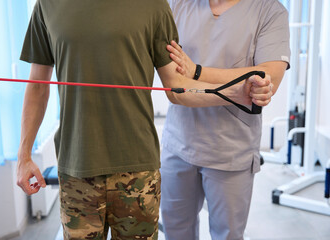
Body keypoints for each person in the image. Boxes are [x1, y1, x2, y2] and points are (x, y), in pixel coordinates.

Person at [16, 0, 273, 239]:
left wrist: (232, 92)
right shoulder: (48, 4)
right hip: (76, 169)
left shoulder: (153, 5)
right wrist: (24, 156)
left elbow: (176, 86)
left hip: (138, 172)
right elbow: (38, 86)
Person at [160, 0, 290, 240]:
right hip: (178, 144)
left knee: (227, 235)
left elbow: (265, 75)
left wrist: (197, 72)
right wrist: (236, 84)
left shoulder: (269, 11)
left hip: (230, 150)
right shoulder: (176, 5)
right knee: (175, 231)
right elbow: (172, 80)